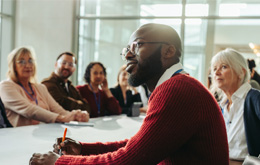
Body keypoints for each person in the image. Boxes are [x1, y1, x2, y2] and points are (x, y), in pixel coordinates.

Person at [30, 23, 229, 164]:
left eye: (138, 45)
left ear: (168, 51)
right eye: (127, 48)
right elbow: (140, 146)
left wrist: (59, 163)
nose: (127, 54)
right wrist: (83, 149)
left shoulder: (176, 90)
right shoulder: (178, 85)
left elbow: (130, 159)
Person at [0, 47, 89, 127]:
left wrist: (77, 116)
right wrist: (61, 118)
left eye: (30, 61)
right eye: (22, 62)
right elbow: (29, 110)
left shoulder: (40, 88)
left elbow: (58, 110)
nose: (28, 65)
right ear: (13, 66)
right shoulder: (6, 86)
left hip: (42, 136)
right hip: (17, 138)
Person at [211, 48, 260, 164]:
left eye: (224, 67)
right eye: (214, 69)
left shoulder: (255, 99)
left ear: (241, 72)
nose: (216, 72)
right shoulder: (220, 107)